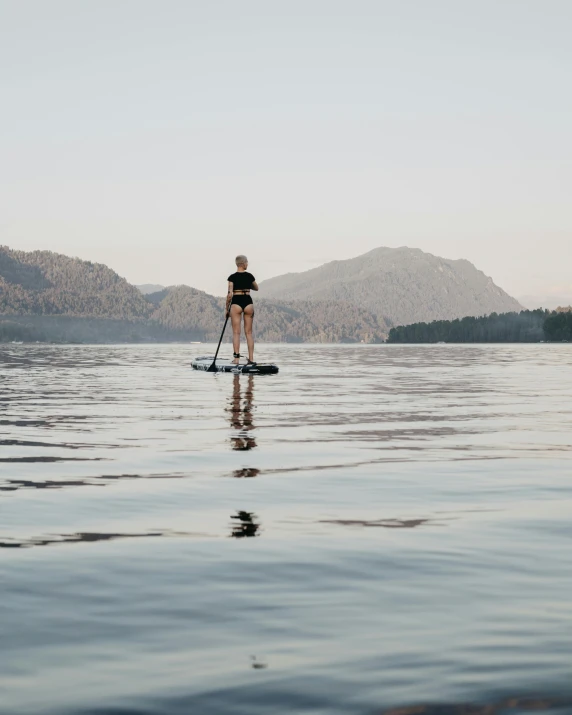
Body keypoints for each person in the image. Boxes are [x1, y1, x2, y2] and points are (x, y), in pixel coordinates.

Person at [226, 255, 259, 365]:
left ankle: (236, 359)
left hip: (236, 302)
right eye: (247, 262)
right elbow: (256, 288)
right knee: (249, 333)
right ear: (243, 263)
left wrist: (227, 309)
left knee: (236, 333)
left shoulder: (232, 277)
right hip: (248, 302)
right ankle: (251, 359)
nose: (247, 264)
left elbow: (229, 294)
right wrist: (247, 283)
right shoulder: (250, 276)